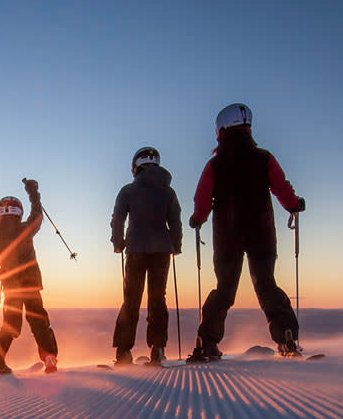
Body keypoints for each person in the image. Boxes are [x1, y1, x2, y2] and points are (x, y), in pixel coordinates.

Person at [189, 103, 307, 360]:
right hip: (261, 233)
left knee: (224, 290)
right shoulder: (264, 158)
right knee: (266, 286)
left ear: (221, 130)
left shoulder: (215, 165)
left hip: (227, 235)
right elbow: (281, 188)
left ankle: (207, 343)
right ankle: (287, 338)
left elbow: (202, 200)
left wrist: (197, 220)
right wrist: (294, 205)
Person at [110, 147, 183, 366]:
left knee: (131, 300)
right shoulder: (169, 192)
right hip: (162, 250)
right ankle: (158, 350)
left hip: (135, 250)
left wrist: (117, 243)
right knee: (158, 298)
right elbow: (175, 222)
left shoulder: (128, 191)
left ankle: (123, 352)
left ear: (136, 166)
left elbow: (118, 218)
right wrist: (176, 245)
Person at [0, 179, 59, 375]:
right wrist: (33, 192)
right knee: (39, 321)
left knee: (10, 325)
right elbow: (38, 215)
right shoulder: (25, 229)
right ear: (19, 211)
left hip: (11, 285)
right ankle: (49, 359)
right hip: (31, 284)